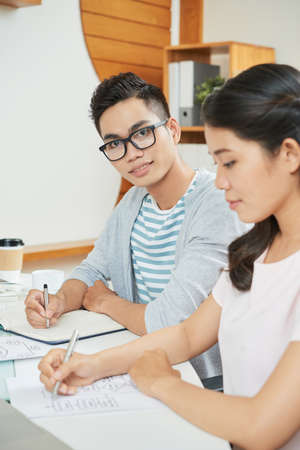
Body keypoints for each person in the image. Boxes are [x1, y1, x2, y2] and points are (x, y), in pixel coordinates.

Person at [39, 63, 300, 449]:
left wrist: (162, 382)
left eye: (229, 162)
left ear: (289, 154)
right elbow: (187, 333)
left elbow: (261, 428)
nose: (221, 180)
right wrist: (92, 365)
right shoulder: (255, 250)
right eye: (216, 163)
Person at [25, 73, 247, 381]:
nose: (131, 153)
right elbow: (90, 272)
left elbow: (171, 320)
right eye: (115, 143)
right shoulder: (133, 202)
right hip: (142, 363)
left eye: (142, 133)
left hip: (203, 380)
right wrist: (59, 301)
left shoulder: (217, 202)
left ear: (172, 129)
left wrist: (106, 302)